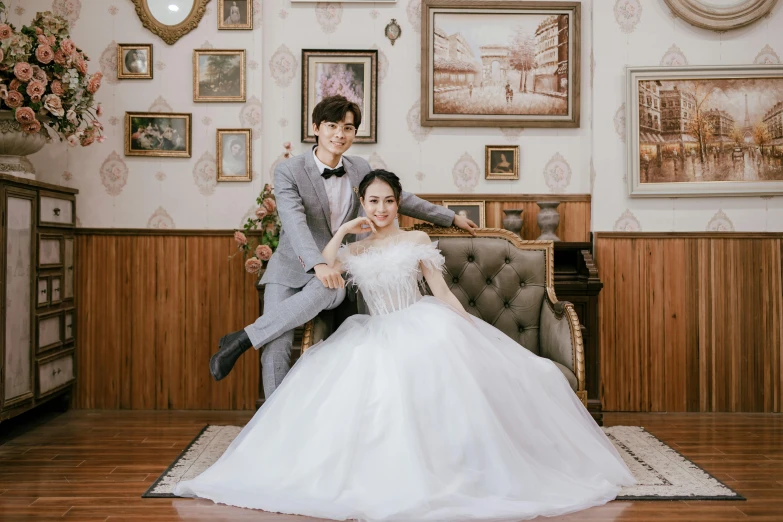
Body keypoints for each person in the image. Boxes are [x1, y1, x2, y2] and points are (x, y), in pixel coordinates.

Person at [175, 169, 636, 521]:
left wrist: (469, 328)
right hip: (373, 329)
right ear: (363, 202)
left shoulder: (416, 237)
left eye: (389, 201)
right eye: (373, 201)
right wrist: (340, 232)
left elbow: (441, 291)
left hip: (422, 322)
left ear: (398, 204)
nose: (381, 208)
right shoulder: (354, 250)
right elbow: (324, 264)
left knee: (441, 380)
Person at [208, 95, 479, 397]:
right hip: (290, 269)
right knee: (276, 346)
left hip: (335, 268)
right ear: (316, 127)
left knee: (328, 285)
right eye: (332, 125)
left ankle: (241, 339)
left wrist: (449, 216)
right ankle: (275, 427)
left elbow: (398, 196)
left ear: (354, 134)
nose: (340, 134)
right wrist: (317, 264)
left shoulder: (358, 167)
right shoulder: (289, 171)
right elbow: (294, 223)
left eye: (348, 128)